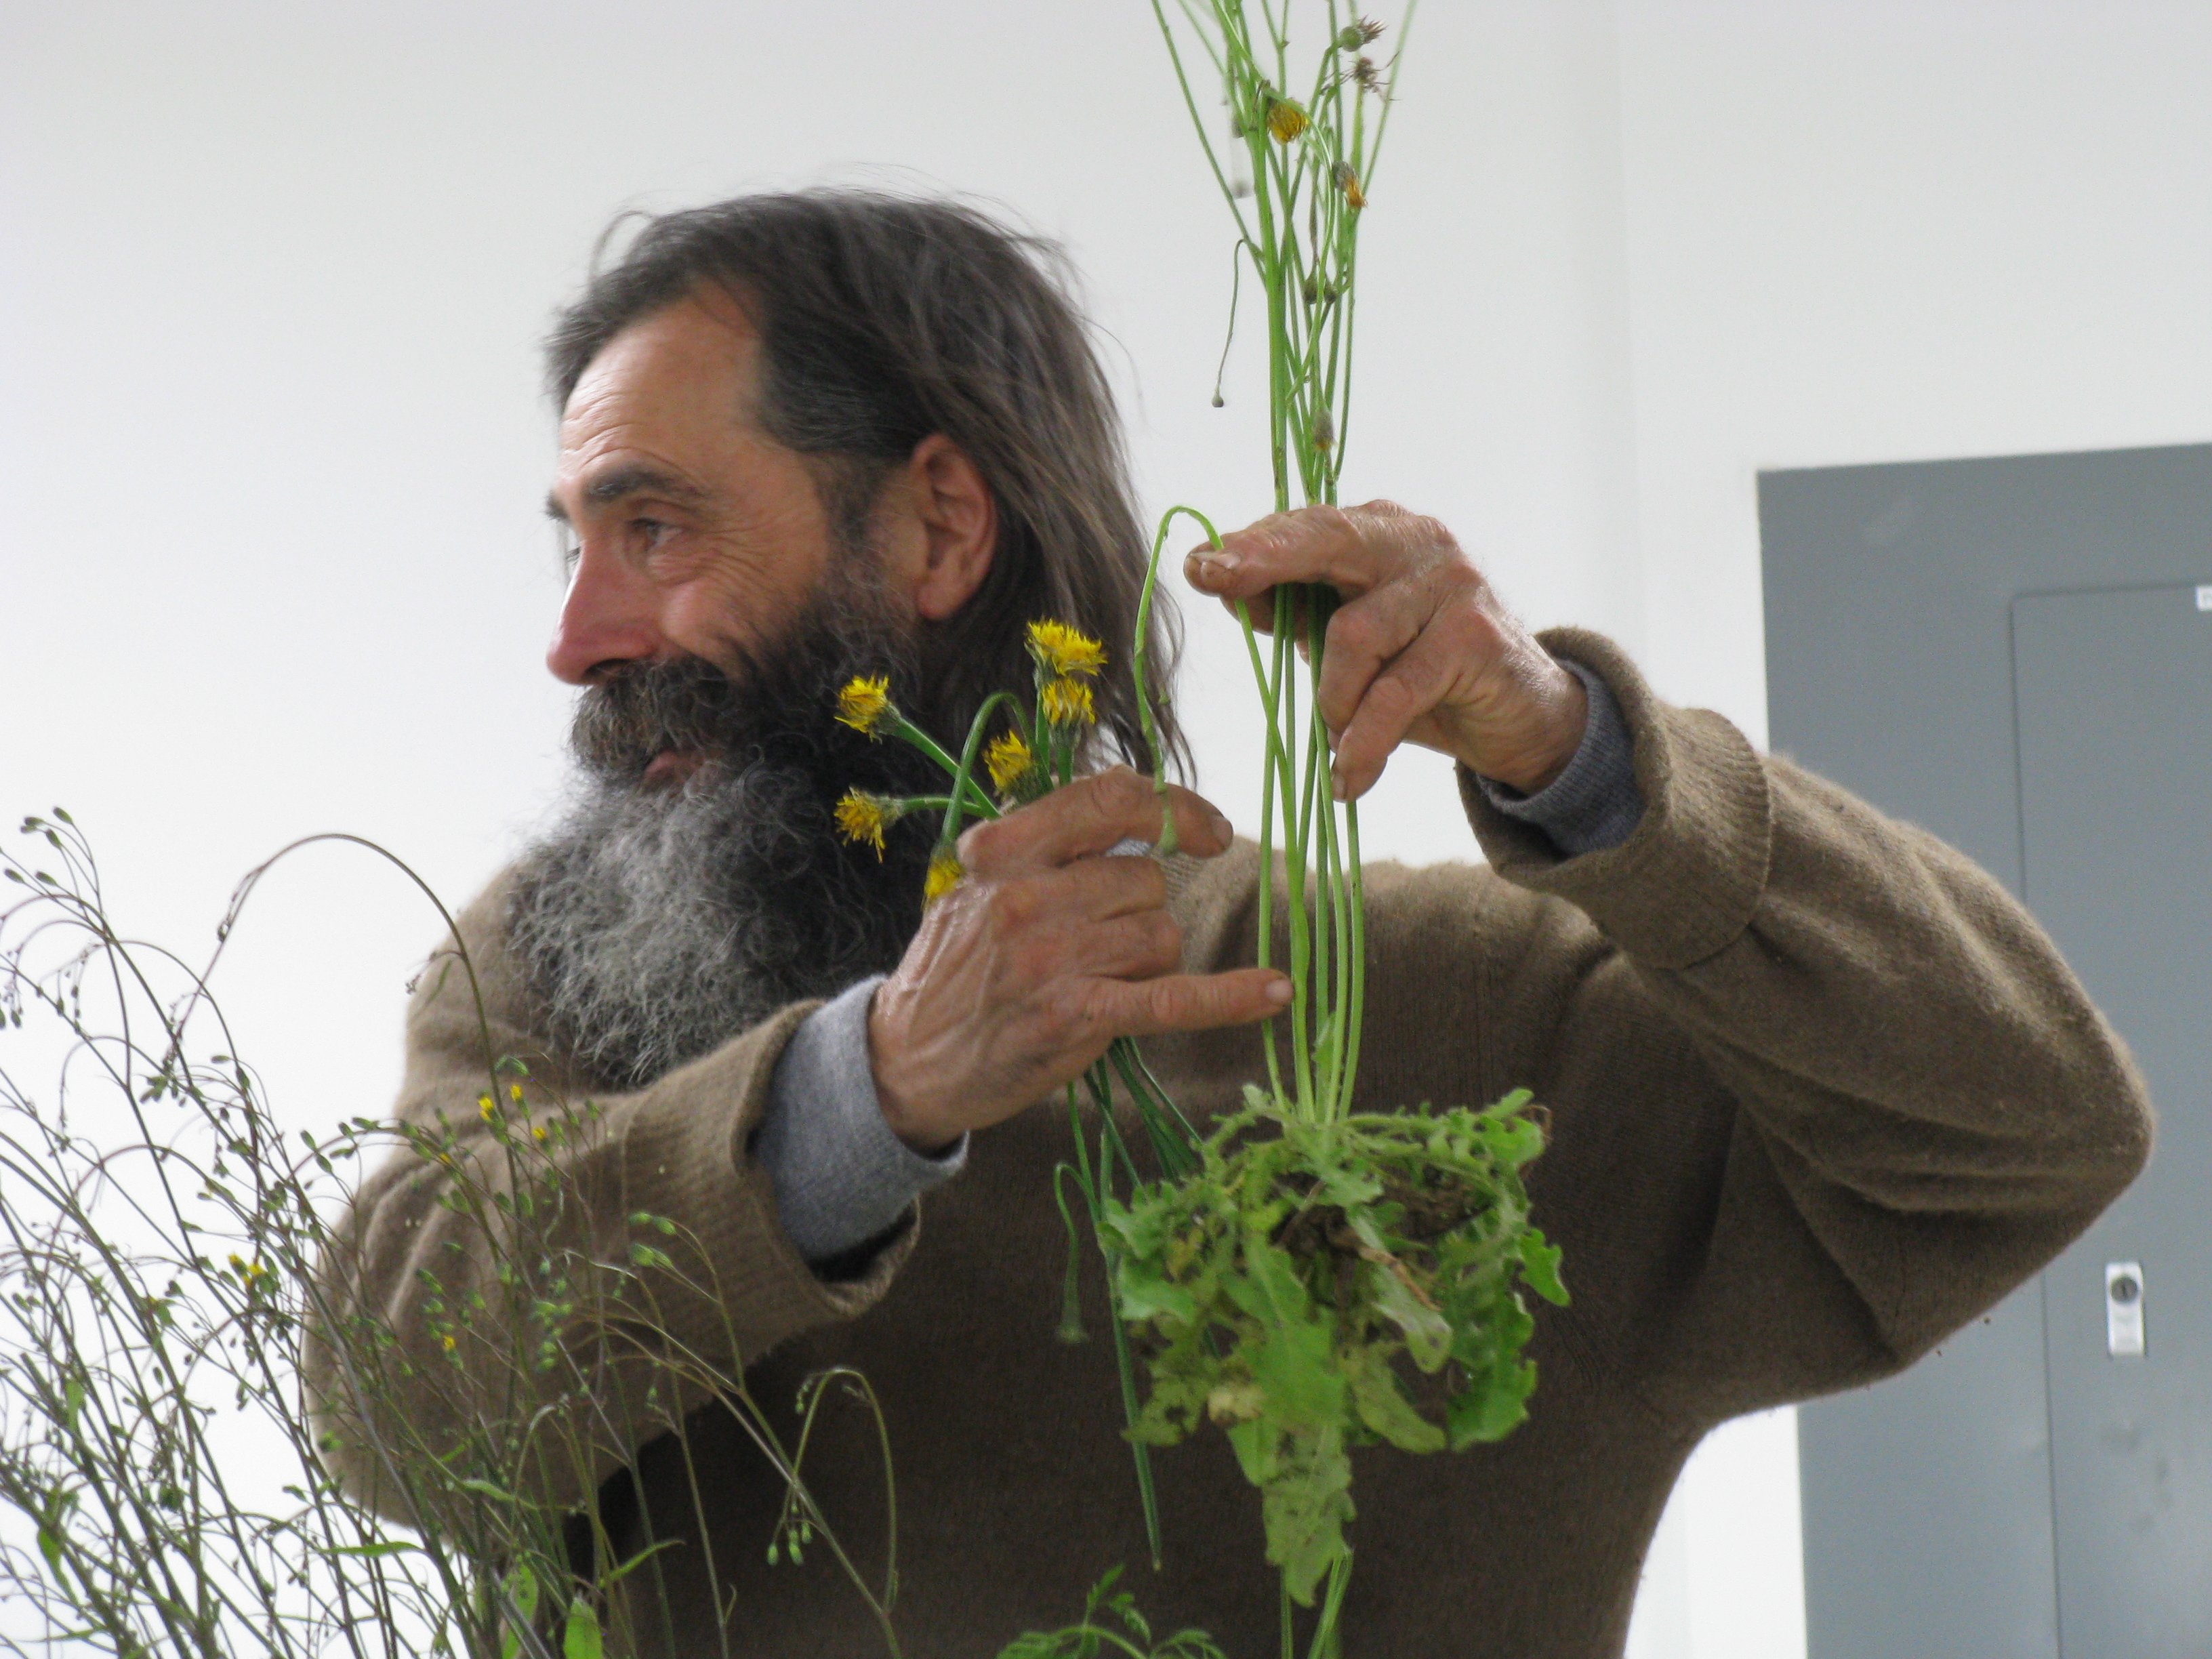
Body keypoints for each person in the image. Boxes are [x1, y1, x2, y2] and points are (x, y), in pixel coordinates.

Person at [310, 190, 2152, 1659]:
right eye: (571, 542)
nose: (576, 638)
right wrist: (863, 1100)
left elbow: (2024, 1135)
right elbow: (391, 1410)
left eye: (651, 530)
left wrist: (1585, 758)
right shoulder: (553, 977)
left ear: (938, 527)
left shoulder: (1424, 1021)